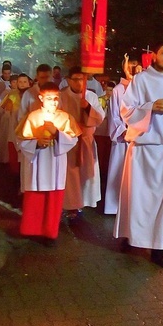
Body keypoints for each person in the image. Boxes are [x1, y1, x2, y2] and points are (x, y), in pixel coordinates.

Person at [113, 42, 163, 270]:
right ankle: (131, 237)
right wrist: (150, 107)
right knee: (135, 195)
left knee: (162, 200)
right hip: (142, 147)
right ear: (154, 56)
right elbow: (126, 109)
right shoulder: (141, 80)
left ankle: (159, 248)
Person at [16, 82, 81, 245]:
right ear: (41, 98)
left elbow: (73, 139)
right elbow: (21, 140)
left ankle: (49, 232)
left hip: (55, 162)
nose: (53, 102)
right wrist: (36, 143)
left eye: (56, 98)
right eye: (49, 98)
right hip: (37, 162)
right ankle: (31, 229)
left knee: (53, 197)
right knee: (36, 196)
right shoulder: (32, 117)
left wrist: (57, 134)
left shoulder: (65, 117)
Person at [59, 66, 106, 221]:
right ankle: (70, 205)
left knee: (86, 175)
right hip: (67, 142)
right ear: (68, 80)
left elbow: (100, 117)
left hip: (85, 142)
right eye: (76, 79)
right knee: (69, 175)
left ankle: (81, 204)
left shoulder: (91, 96)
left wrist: (87, 108)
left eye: (82, 79)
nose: (79, 83)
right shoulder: (61, 96)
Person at [103, 54, 139, 216]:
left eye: (137, 67)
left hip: (138, 137)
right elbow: (114, 115)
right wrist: (123, 130)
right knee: (119, 170)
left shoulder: (142, 89)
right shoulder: (118, 90)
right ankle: (115, 205)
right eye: (131, 66)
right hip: (123, 136)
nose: (134, 69)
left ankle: (134, 206)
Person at [1, 73, 31, 174]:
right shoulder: (12, 94)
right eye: (20, 82)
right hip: (14, 127)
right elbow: (4, 107)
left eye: (24, 82)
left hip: (29, 130)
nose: (22, 84)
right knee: (14, 153)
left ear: (29, 83)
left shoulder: (33, 95)